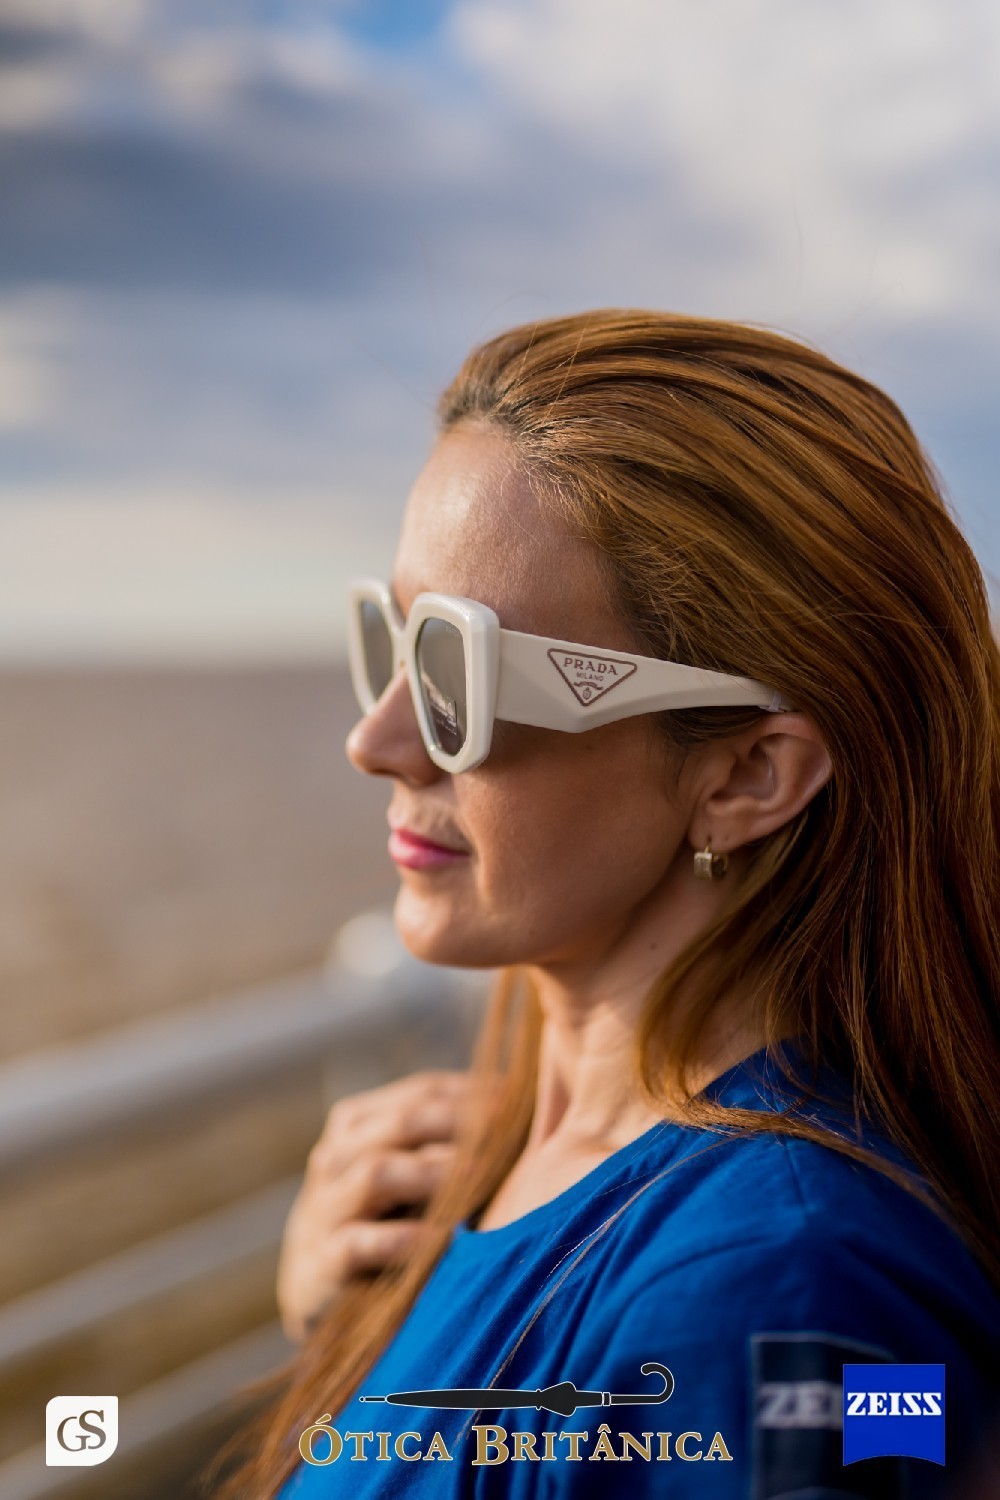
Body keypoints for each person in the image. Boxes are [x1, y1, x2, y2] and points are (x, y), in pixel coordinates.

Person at [213, 312, 1000, 1499]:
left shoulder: (775, 1295)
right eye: (395, 641)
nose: (374, 740)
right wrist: (351, 1331)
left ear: (746, 777)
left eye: (458, 678)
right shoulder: (518, 1155)